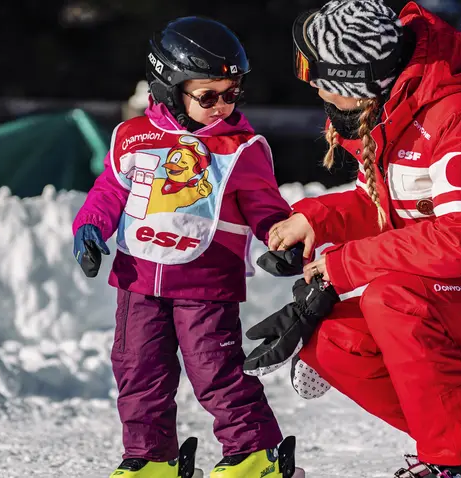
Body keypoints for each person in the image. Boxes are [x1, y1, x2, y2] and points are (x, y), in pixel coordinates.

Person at [243, 1, 461, 477]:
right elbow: (381, 206)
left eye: (317, 74)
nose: (313, 86)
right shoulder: (390, 114)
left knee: (392, 299)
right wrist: (318, 220)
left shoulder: (460, 119)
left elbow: (460, 240)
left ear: (356, 80)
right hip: (456, 296)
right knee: (331, 341)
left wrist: (343, 266)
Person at [72, 16, 294, 478]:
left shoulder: (240, 147)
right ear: (170, 88)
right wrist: (90, 227)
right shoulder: (133, 137)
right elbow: (109, 192)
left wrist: (280, 237)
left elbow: (265, 204)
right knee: (137, 371)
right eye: (208, 96)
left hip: (205, 283)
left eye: (231, 94)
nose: (221, 107)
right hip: (138, 281)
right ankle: (151, 458)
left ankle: (255, 453)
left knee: (215, 369)